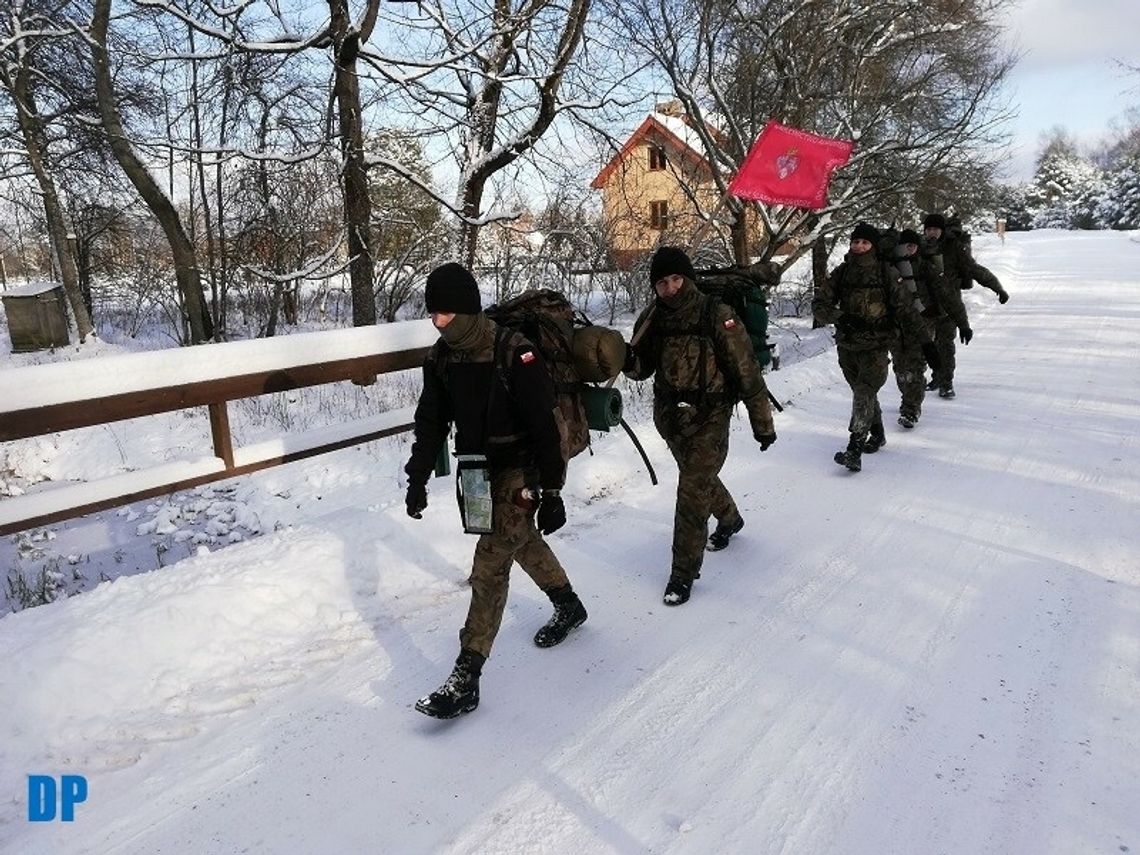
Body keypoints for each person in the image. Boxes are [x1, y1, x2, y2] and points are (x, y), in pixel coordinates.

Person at [404, 262, 587, 719]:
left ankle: (467, 674)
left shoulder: (514, 351)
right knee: (518, 541)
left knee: (489, 564)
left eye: (444, 313)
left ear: (465, 310)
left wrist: (554, 489)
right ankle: (569, 605)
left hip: (521, 469)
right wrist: (417, 477)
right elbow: (430, 422)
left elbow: (547, 425)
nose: (437, 322)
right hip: (477, 471)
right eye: (433, 314)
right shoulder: (442, 357)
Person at [624, 246, 776, 606]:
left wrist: (762, 422)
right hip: (671, 417)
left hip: (711, 416)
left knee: (691, 492)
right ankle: (730, 519)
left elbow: (747, 370)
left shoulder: (716, 313)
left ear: (688, 278)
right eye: (662, 283)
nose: (671, 288)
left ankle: (682, 574)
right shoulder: (653, 317)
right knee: (700, 480)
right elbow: (640, 369)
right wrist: (621, 356)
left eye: (677, 278)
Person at [813, 223, 939, 472]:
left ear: (872, 245)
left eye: (865, 242)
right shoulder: (842, 272)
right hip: (848, 345)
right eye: (855, 242)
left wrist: (927, 343)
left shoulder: (886, 273)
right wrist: (840, 316)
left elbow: (906, 309)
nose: (859, 246)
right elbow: (819, 304)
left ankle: (854, 448)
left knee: (864, 391)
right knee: (864, 394)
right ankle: (878, 432)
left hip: (877, 345)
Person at [890, 228, 971, 428]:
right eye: (906, 245)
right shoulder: (890, 269)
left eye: (913, 245)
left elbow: (948, 297)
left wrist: (963, 323)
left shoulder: (927, 269)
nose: (909, 249)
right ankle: (907, 397)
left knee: (916, 367)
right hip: (896, 327)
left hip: (923, 324)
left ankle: (911, 409)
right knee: (900, 368)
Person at [922, 212, 1008, 398]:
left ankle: (946, 383)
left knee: (945, 345)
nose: (931, 233)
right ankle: (934, 376)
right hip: (924, 307)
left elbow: (974, 269)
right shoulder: (920, 248)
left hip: (949, 306)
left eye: (935, 229)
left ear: (942, 230)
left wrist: (997, 288)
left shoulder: (954, 248)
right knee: (925, 345)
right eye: (928, 229)